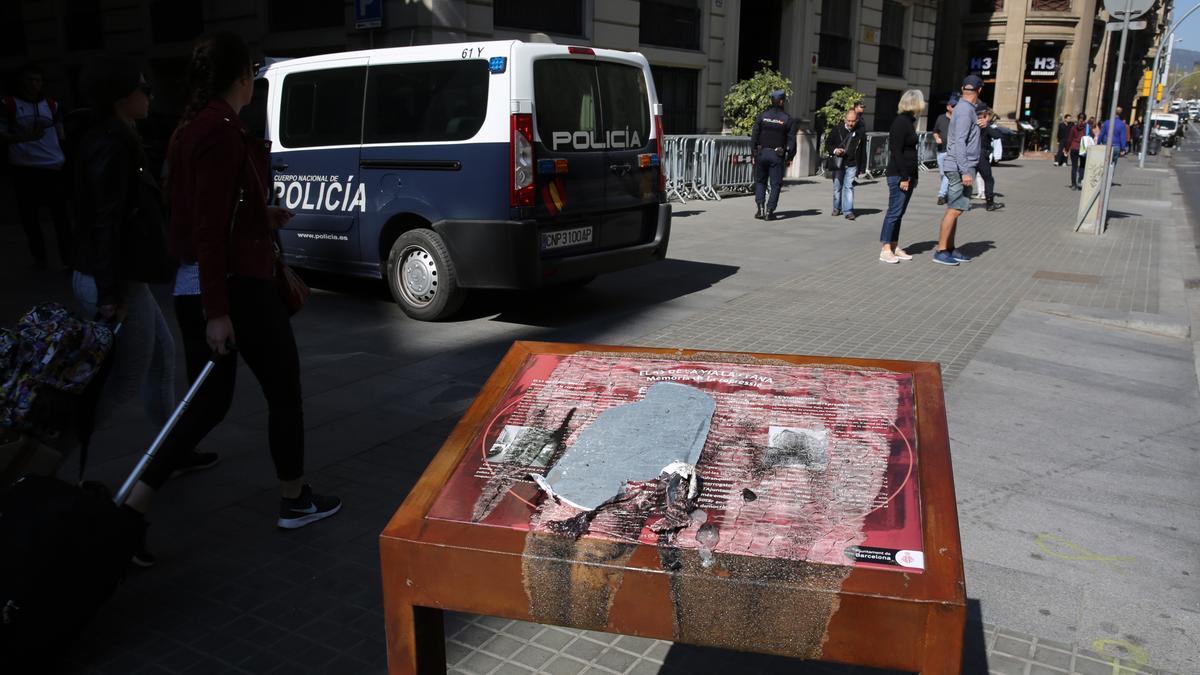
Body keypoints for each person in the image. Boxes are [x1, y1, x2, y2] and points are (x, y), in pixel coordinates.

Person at [159, 31, 341, 533]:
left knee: (208, 404)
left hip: (210, 283)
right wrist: (217, 311)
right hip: (237, 286)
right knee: (283, 390)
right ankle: (295, 499)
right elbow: (208, 229)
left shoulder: (194, 126)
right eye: (254, 69)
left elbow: (207, 213)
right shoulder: (219, 129)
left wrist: (260, 216)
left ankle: (133, 501)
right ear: (242, 75)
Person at [70, 57, 220, 565]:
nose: (150, 95)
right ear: (120, 96)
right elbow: (106, 223)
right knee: (121, 382)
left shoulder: (119, 135)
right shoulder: (110, 142)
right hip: (113, 283)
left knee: (160, 358)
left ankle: (168, 454)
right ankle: (62, 463)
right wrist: (110, 293)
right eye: (142, 88)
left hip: (125, 281)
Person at [0, 63, 74, 270]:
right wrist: (21, 138)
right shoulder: (8, 104)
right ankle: (40, 257)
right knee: (30, 217)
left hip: (52, 166)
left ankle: (67, 257)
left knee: (60, 216)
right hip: (24, 168)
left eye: (38, 80)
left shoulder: (52, 105)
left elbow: (61, 133)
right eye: (30, 80)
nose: (34, 85)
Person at [934, 74, 983, 267]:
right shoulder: (964, 111)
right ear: (979, 90)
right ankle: (941, 250)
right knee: (953, 209)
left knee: (957, 208)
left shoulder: (966, 109)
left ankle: (949, 248)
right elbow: (959, 143)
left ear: (964, 88)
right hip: (959, 166)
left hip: (960, 164)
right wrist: (965, 171)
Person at [878, 90, 924, 264]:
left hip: (907, 174)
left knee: (899, 212)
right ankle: (885, 248)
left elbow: (912, 152)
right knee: (894, 212)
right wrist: (905, 177)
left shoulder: (909, 122)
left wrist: (915, 176)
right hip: (898, 174)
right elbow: (897, 151)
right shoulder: (900, 122)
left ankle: (894, 245)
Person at [751, 89, 796, 221]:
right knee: (775, 184)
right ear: (781, 101)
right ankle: (770, 211)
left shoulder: (762, 116)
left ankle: (760, 209)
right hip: (777, 155)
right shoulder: (787, 119)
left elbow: (754, 136)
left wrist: (754, 152)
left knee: (760, 181)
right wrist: (790, 156)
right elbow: (792, 140)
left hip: (761, 153)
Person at [824, 109, 866, 220]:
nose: (851, 123)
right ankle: (837, 208)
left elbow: (863, 150)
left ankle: (848, 211)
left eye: (853, 121)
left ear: (856, 120)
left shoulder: (860, 132)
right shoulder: (837, 129)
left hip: (852, 163)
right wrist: (835, 150)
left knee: (849, 186)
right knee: (837, 186)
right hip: (839, 163)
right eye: (849, 120)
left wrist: (862, 167)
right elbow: (828, 144)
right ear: (844, 119)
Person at [975, 104, 1004, 212]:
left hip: (970, 155)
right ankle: (990, 203)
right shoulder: (985, 126)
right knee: (988, 179)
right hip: (981, 156)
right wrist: (987, 125)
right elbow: (998, 135)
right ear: (985, 115)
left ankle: (960, 201)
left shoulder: (970, 124)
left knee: (966, 179)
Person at [932, 94, 957, 206]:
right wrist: (937, 138)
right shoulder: (941, 118)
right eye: (953, 106)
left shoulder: (959, 119)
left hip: (952, 151)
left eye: (956, 106)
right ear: (948, 107)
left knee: (947, 174)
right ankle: (947, 194)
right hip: (941, 150)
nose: (955, 108)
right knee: (943, 174)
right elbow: (935, 131)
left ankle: (941, 195)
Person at [1067, 112, 1087, 190]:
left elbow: (1069, 139)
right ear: (1085, 119)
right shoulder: (1087, 128)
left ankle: (1073, 184)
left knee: (1074, 167)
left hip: (1074, 148)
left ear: (1078, 118)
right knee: (1082, 166)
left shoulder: (1073, 128)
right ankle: (1080, 181)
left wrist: (1066, 149)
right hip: (1083, 149)